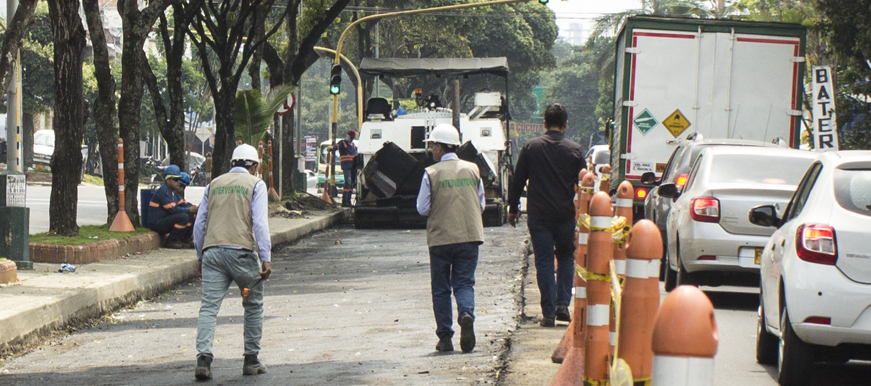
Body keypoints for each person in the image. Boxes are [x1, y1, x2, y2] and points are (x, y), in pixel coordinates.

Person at [193, 144, 272, 380]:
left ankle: (203, 360)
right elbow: (259, 224)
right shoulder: (256, 184)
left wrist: (200, 255)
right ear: (254, 166)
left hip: (213, 255)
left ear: (232, 163)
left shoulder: (213, 185)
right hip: (242, 255)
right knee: (252, 303)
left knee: (209, 307)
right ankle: (251, 360)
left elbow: (199, 224)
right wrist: (265, 257)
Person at [507, 103, 586, 327]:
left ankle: (548, 313)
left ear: (544, 124)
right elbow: (585, 185)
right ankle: (563, 304)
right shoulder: (575, 150)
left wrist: (513, 209)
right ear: (565, 125)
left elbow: (518, 180)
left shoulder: (531, 147)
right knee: (565, 257)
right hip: (564, 215)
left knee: (543, 261)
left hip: (539, 215)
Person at [416, 124, 485, 353]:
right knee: (464, 282)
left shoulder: (431, 173)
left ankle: (445, 337)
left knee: (441, 288)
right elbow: (480, 205)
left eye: (432, 146)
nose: (432, 151)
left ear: (438, 146)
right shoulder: (473, 169)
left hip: (441, 238)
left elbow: (422, 208)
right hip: (469, 234)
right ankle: (466, 313)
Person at [148, 165, 197, 249]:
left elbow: (183, 203)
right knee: (183, 216)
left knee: (191, 214)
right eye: (175, 179)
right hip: (157, 223)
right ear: (167, 180)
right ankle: (171, 240)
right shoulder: (164, 192)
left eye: (178, 179)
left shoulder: (173, 192)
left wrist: (195, 208)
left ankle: (185, 238)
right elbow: (173, 210)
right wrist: (190, 209)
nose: (178, 182)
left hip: (165, 218)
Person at [336, 130, 358, 207]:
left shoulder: (353, 146)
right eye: (351, 137)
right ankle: (344, 200)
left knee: (352, 184)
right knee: (348, 183)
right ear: (348, 136)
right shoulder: (342, 143)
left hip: (353, 167)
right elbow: (336, 147)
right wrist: (331, 148)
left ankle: (348, 201)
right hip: (347, 166)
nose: (352, 139)